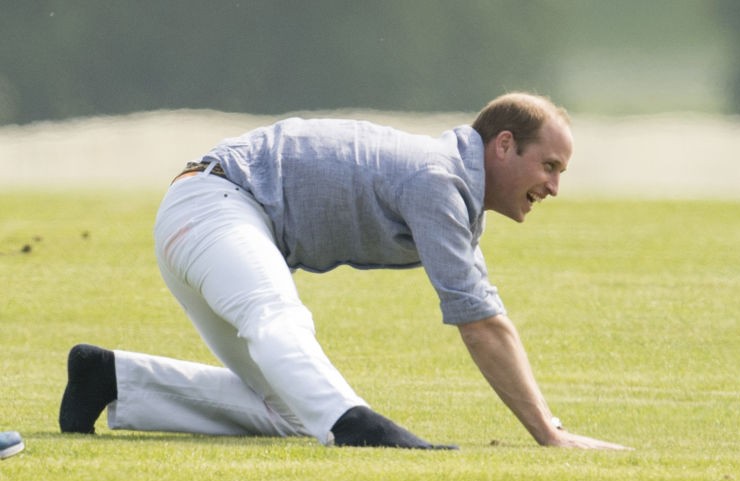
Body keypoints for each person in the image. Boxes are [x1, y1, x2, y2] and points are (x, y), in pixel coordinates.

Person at [60, 92, 629, 450]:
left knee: (287, 409)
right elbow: (480, 323)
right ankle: (357, 425)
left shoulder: (446, 187)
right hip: (217, 203)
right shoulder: (439, 180)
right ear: (504, 145)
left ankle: (110, 379)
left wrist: (546, 429)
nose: (554, 186)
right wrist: (550, 435)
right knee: (277, 317)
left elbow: (482, 310)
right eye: (549, 166)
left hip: (206, 214)